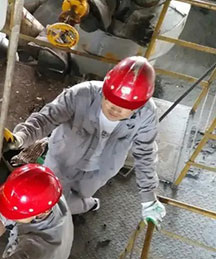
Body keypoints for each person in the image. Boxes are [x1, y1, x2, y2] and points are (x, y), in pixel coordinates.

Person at [10, 56, 166, 226]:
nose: (114, 109)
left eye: (124, 107)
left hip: (100, 170)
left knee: (80, 197)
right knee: (49, 199)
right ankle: (77, 208)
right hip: (62, 161)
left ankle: (89, 204)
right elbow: (45, 119)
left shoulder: (146, 115)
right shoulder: (81, 94)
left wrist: (149, 197)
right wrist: (19, 138)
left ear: (139, 106)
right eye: (110, 100)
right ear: (104, 88)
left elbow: (145, 154)